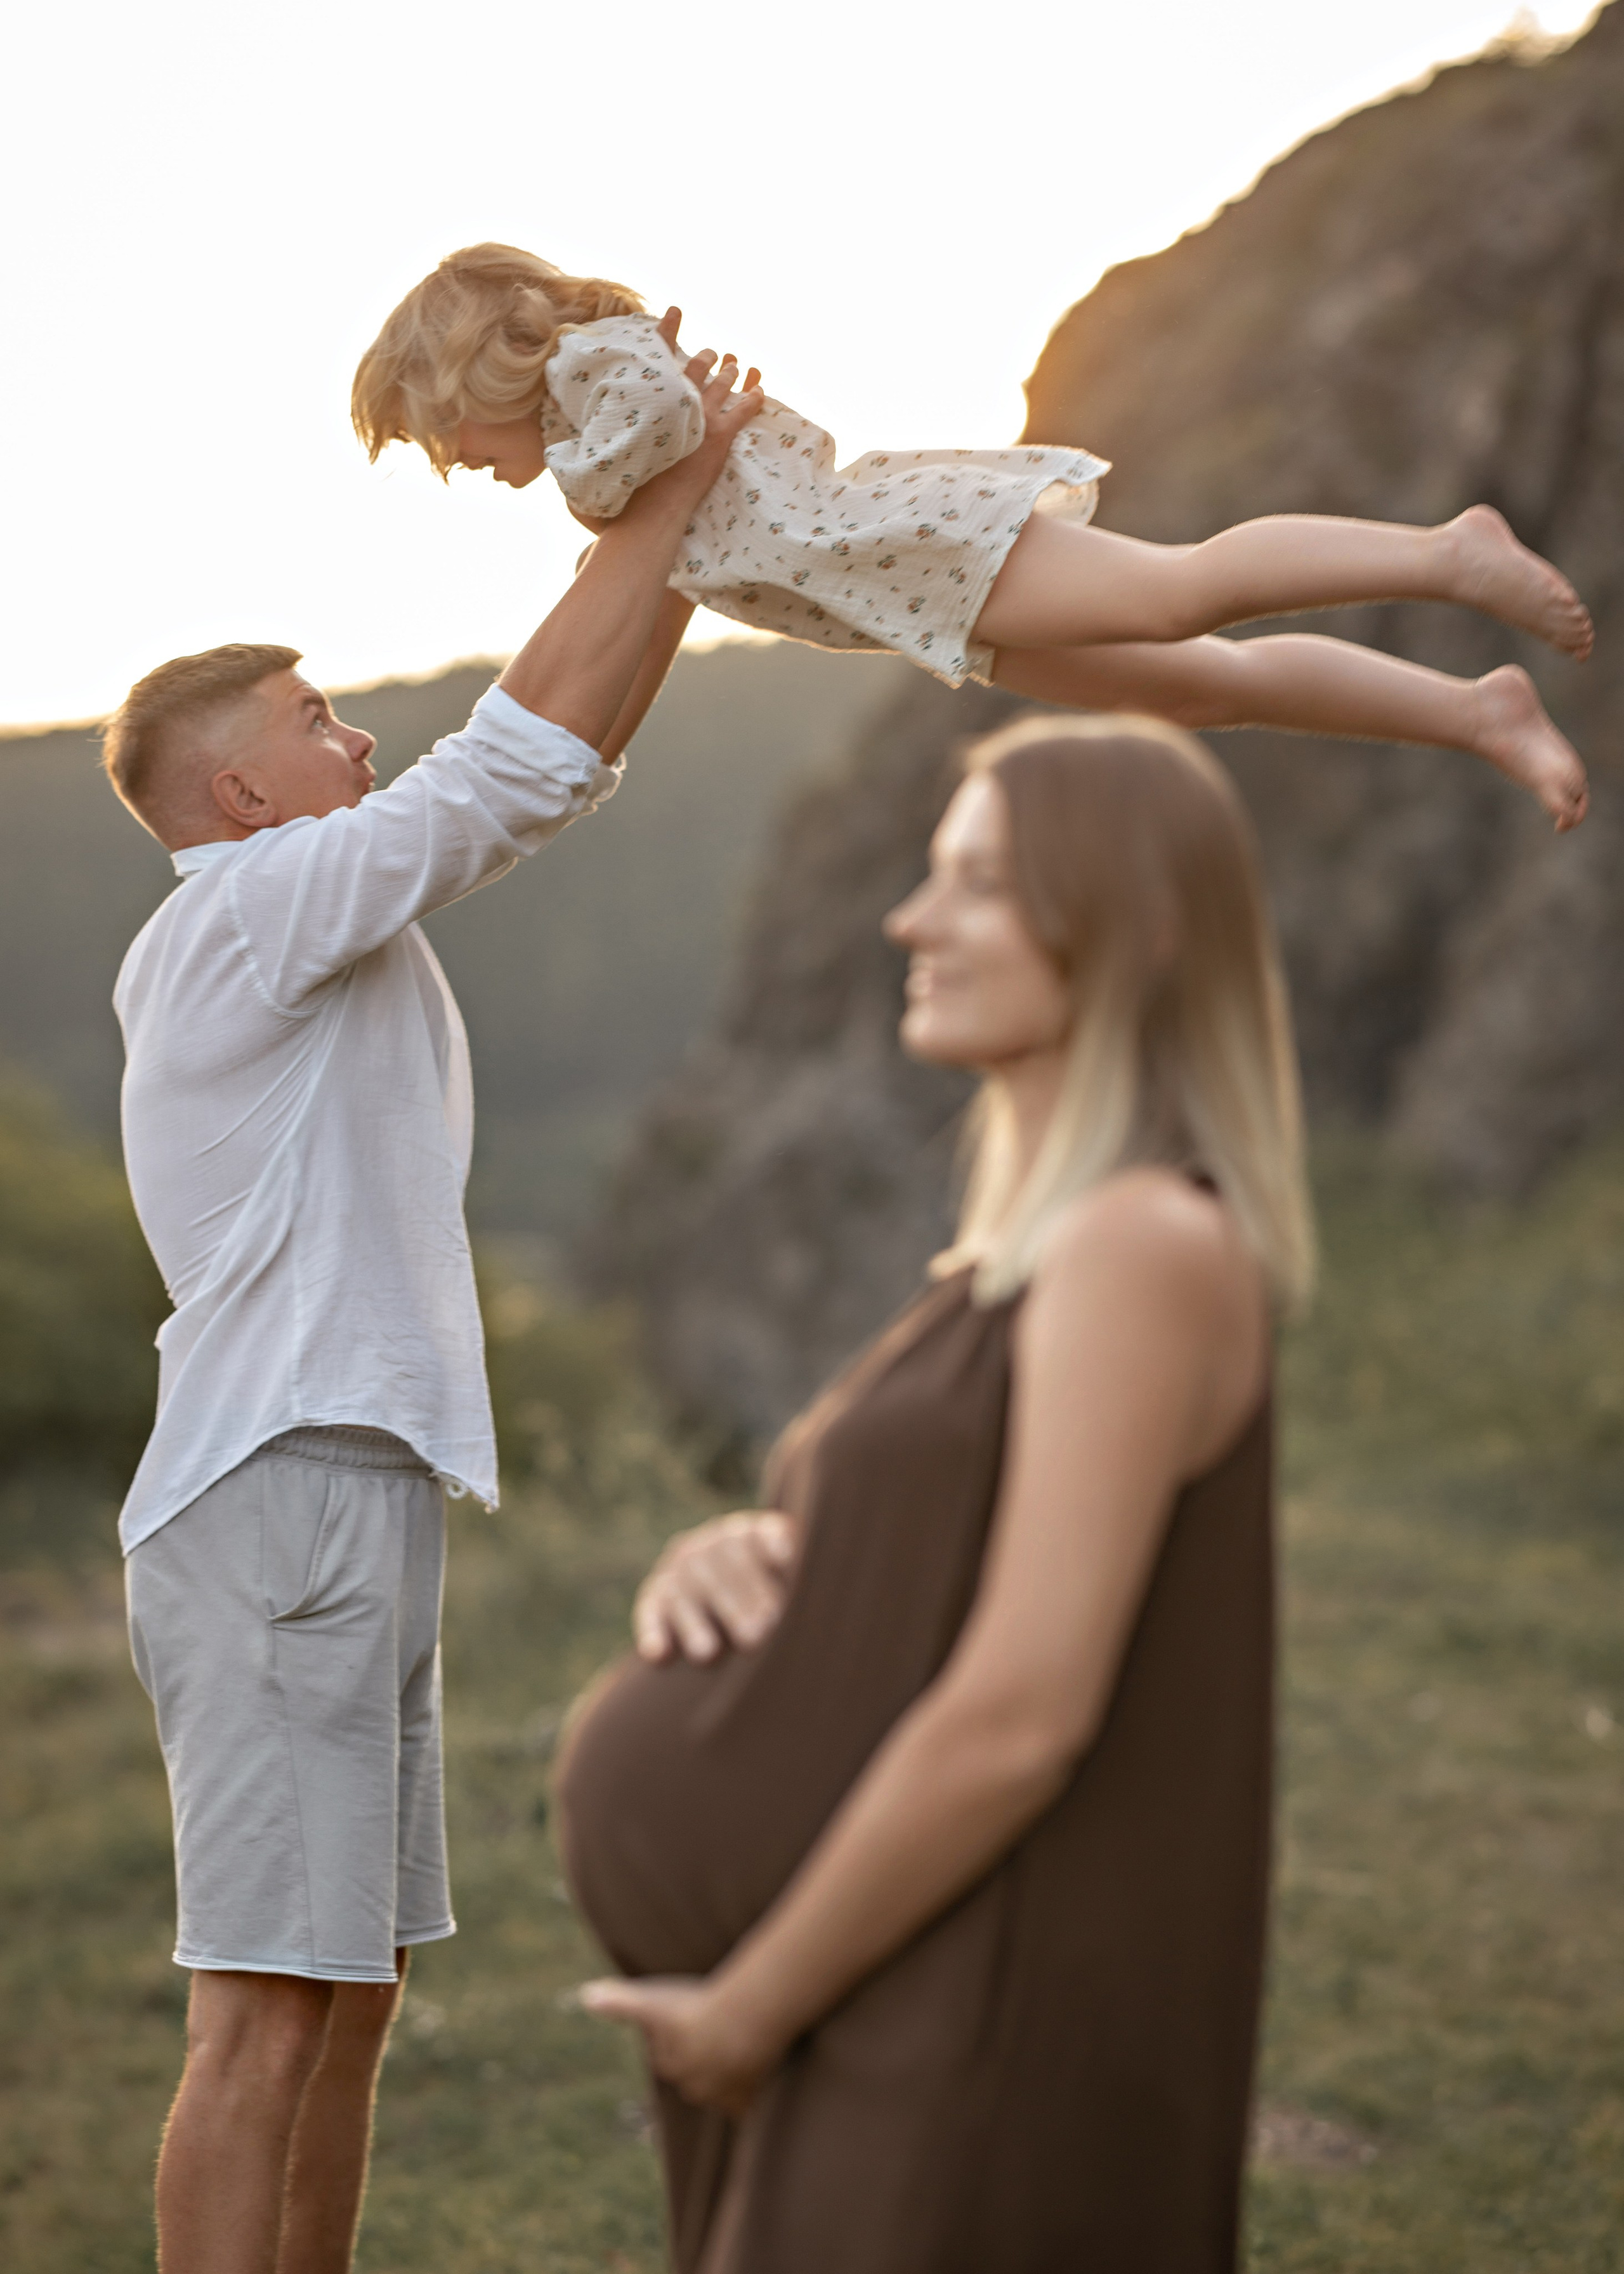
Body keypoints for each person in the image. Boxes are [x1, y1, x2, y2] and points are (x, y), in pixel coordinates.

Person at [103, 346, 762, 2274]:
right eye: (316, 718)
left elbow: (547, 775)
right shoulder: (250, 905)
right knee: (263, 2012)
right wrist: (672, 490)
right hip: (283, 1500)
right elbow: (503, 767)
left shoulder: (297, 909)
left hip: (339, 1492)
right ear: (242, 788)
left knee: (355, 1989)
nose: (354, 738)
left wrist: (689, 539)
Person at [554, 710, 1309, 2272]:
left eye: (974, 883)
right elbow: (962, 1551)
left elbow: (1023, 1706)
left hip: (975, 2003)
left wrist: (749, 2009)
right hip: (899, 1977)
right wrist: (757, 1551)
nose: (911, 920)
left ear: (1135, 926)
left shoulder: (1138, 1242)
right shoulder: (1014, 1259)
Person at [353, 242, 1591, 832]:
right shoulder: (598, 434)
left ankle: (1443, 552)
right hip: (916, 603)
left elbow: (669, 410)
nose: (455, 461)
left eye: (439, 429)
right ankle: (1475, 712)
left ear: (480, 364)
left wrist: (588, 489)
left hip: (912, 547)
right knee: (1206, 688)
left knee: (1182, 593)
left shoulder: (591, 369)